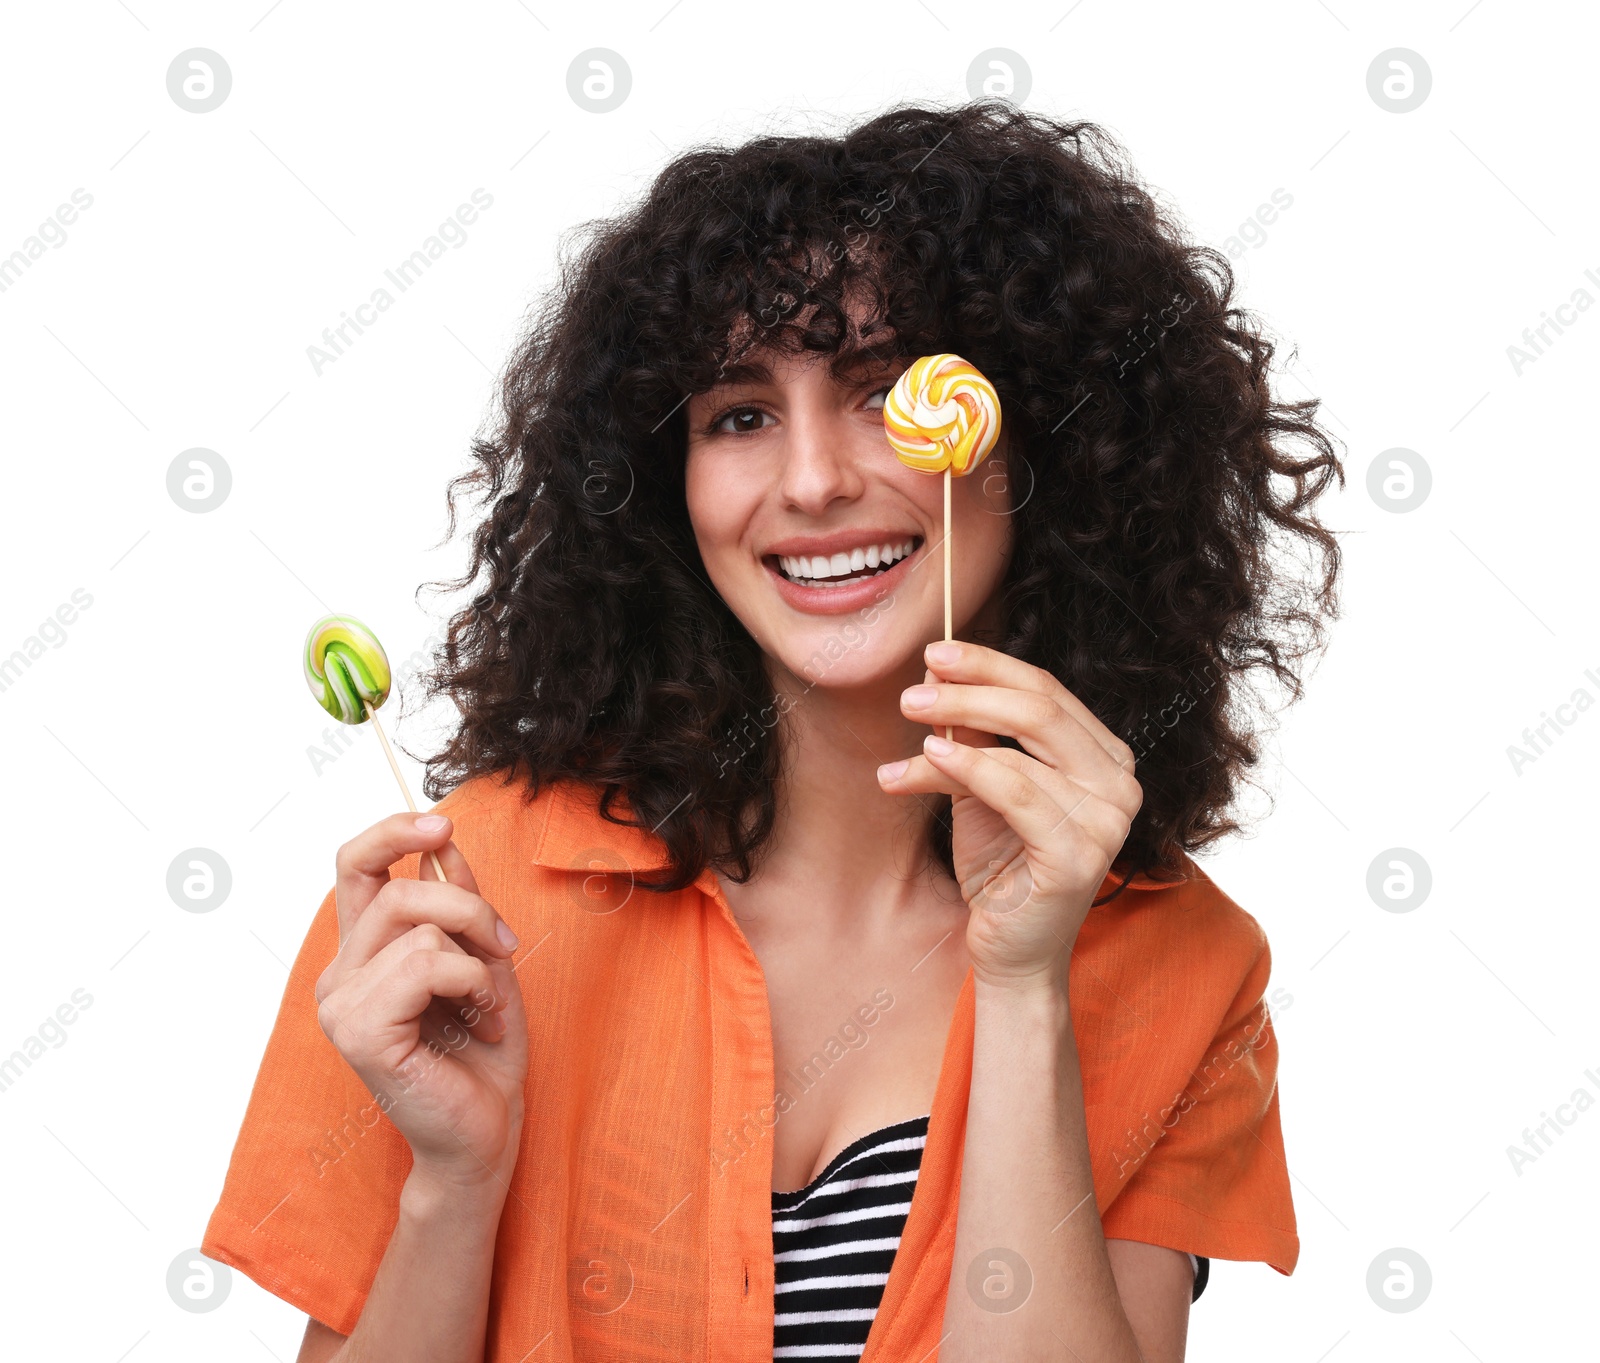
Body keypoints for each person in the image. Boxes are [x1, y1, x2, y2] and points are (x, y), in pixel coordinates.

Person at [202, 101, 1341, 1363]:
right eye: (738, 414)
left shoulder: (1181, 962)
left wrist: (1025, 991)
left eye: (883, 394)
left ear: (1052, 449)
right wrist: (452, 1183)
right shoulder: (462, 901)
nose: (809, 481)